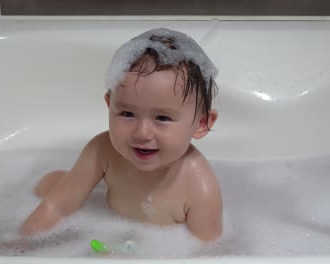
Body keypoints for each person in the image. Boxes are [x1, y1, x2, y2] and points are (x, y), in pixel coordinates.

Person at [20, 28, 222, 241]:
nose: (142, 133)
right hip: (112, 235)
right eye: (127, 113)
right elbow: (57, 207)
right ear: (109, 106)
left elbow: (206, 250)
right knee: (47, 186)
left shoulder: (199, 186)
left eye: (162, 118)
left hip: (160, 250)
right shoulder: (103, 150)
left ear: (201, 124)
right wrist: (19, 244)